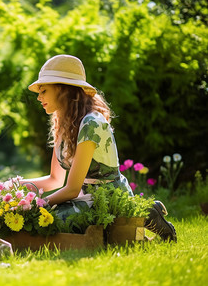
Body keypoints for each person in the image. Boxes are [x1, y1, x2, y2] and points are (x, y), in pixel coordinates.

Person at [21, 54, 177, 241]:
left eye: (43, 90)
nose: (38, 97)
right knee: (36, 220)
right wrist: (15, 186)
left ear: (62, 89)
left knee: (47, 222)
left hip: (107, 199)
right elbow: (55, 180)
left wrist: (38, 204)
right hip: (84, 198)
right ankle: (134, 222)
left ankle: (140, 215)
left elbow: (71, 188)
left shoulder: (91, 123)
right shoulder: (62, 124)